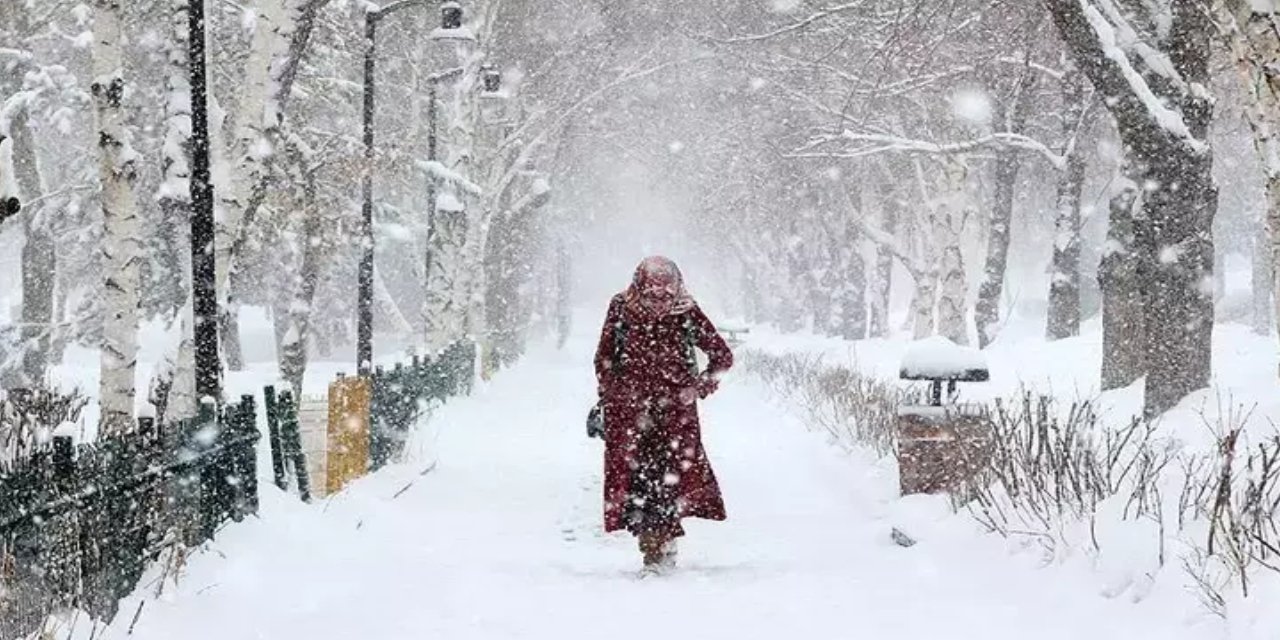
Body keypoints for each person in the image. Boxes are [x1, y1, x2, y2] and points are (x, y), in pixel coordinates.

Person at [593, 256, 734, 575]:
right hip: (633, 415)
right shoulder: (621, 308)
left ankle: (658, 547)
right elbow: (604, 358)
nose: (658, 301)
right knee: (641, 482)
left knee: (664, 480)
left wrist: (700, 387)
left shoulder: (685, 311)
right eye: (651, 294)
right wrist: (614, 394)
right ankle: (654, 546)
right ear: (639, 286)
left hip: (673, 418)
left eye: (665, 295)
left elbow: (722, 355)